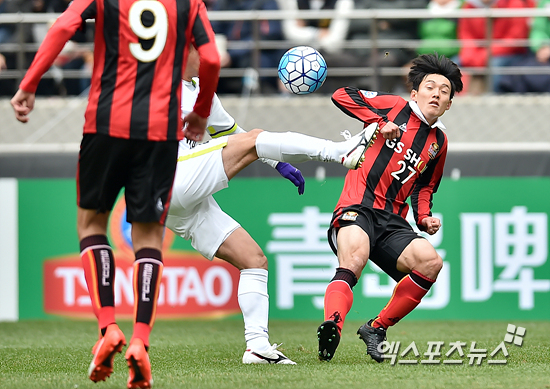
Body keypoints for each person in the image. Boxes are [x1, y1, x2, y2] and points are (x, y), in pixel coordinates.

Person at [10, 1, 220, 388]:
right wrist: (201, 112)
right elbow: (210, 58)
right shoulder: (189, 3)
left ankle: (108, 326)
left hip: (105, 124)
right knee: (148, 238)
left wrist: (29, 83)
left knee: (91, 224)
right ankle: (140, 339)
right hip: (160, 131)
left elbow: (63, 26)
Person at [167, 45, 378, 364]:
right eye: (202, 49)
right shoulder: (155, 82)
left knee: (253, 260)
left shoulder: (202, 92)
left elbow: (236, 135)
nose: (210, 58)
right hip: (167, 175)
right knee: (256, 138)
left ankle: (257, 347)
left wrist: (277, 164)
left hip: (178, 201)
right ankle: (339, 152)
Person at [316, 53, 463, 363]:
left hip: (394, 221)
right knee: (354, 260)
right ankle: (333, 325)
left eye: (444, 91)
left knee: (431, 263)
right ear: (415, 94)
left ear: (449, 104)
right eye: (430, 87)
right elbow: (342, 95)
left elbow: (425, 186)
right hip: (358, 205)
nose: (436, 93)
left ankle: (376, 328)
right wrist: (379, 122)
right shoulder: (395, 107)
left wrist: (423, 217)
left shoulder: (439, 142)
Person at [457, 0, 535, 94]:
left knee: (495, 65)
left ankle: (493, 99)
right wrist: (470, 55)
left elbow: (515, 39)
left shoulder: (514, 4)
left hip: (511, 53)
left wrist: (485, 54)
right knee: (453, 64)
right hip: (480, 53)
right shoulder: (469, 6)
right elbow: (466, 36)